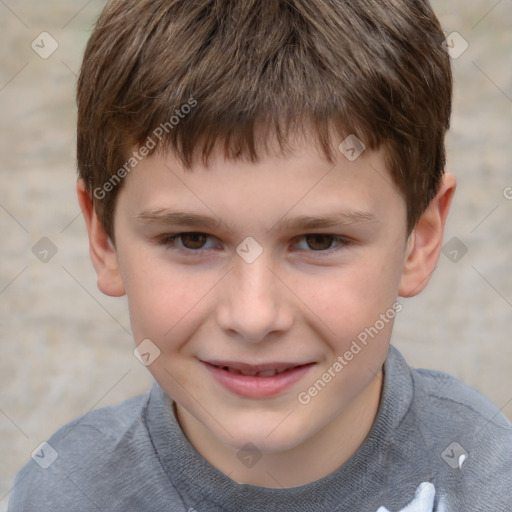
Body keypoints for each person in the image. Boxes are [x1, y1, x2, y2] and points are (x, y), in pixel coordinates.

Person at [8, 0, 512, 510]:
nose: (253, 318)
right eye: (192, 239)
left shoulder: (493, 480)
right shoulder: (60, 492)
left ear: (419, 240)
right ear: (103, 240)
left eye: (319, 242)